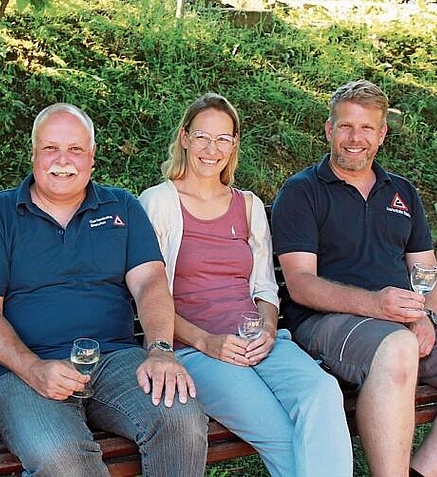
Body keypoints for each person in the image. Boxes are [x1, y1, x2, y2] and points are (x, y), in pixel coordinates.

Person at [0, 103, 208, 477]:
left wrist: (160, 350)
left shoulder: (121, 205)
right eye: (50, 149)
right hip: (25, 368)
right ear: (33, 155)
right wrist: (34, 368)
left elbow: (151, 283)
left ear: (92, 157)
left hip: (115, 359)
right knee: (63, 457)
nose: (63, 160)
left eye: (75, 149)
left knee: (182, 419)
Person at [271, 79, 437, 477]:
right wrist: (377, 306)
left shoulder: (402, 191)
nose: (354, 138)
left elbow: (427, 270)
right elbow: (301, 284)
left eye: (366, 128)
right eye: (345, 126)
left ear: (381, 134)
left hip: (404, 320)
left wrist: (425, 315)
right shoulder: (302, 192)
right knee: (397, 348)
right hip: (326, 323)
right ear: (329, 130)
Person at [139, 93, 353, 477]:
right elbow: (148, 296)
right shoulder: (158, 203)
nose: (212, 148)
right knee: (280, 432)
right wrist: (207, 342)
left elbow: (265, 289)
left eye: (223, 139)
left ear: (234, 144)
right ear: (184, 137)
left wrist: (269, 330)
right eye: (202, 137)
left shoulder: (249, 205)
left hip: (257, 340)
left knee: (321, 393)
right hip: (195, 350)